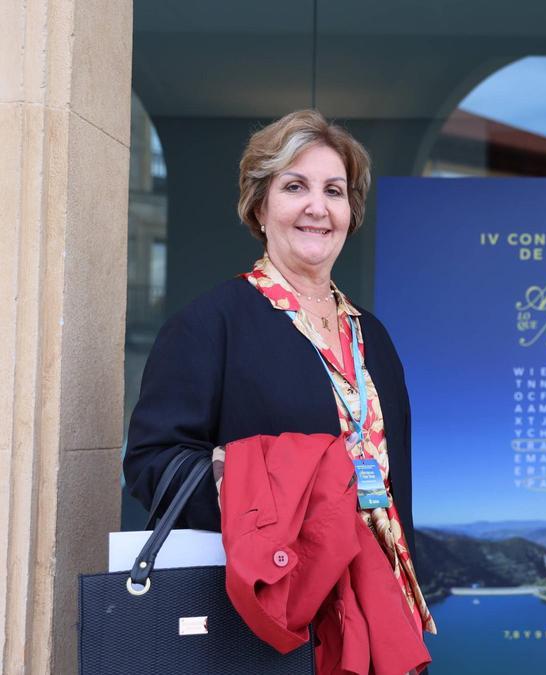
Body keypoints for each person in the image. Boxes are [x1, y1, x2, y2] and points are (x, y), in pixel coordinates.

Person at [124, 109, 435, 664]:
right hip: (272, 614)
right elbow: (152, 461)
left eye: (333, 191)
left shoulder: (373, 336)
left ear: (350, 213)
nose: (317, 207)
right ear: (260, 206)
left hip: (380, 608)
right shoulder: (210, 324)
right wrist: (269, 495)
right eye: (295, 186)